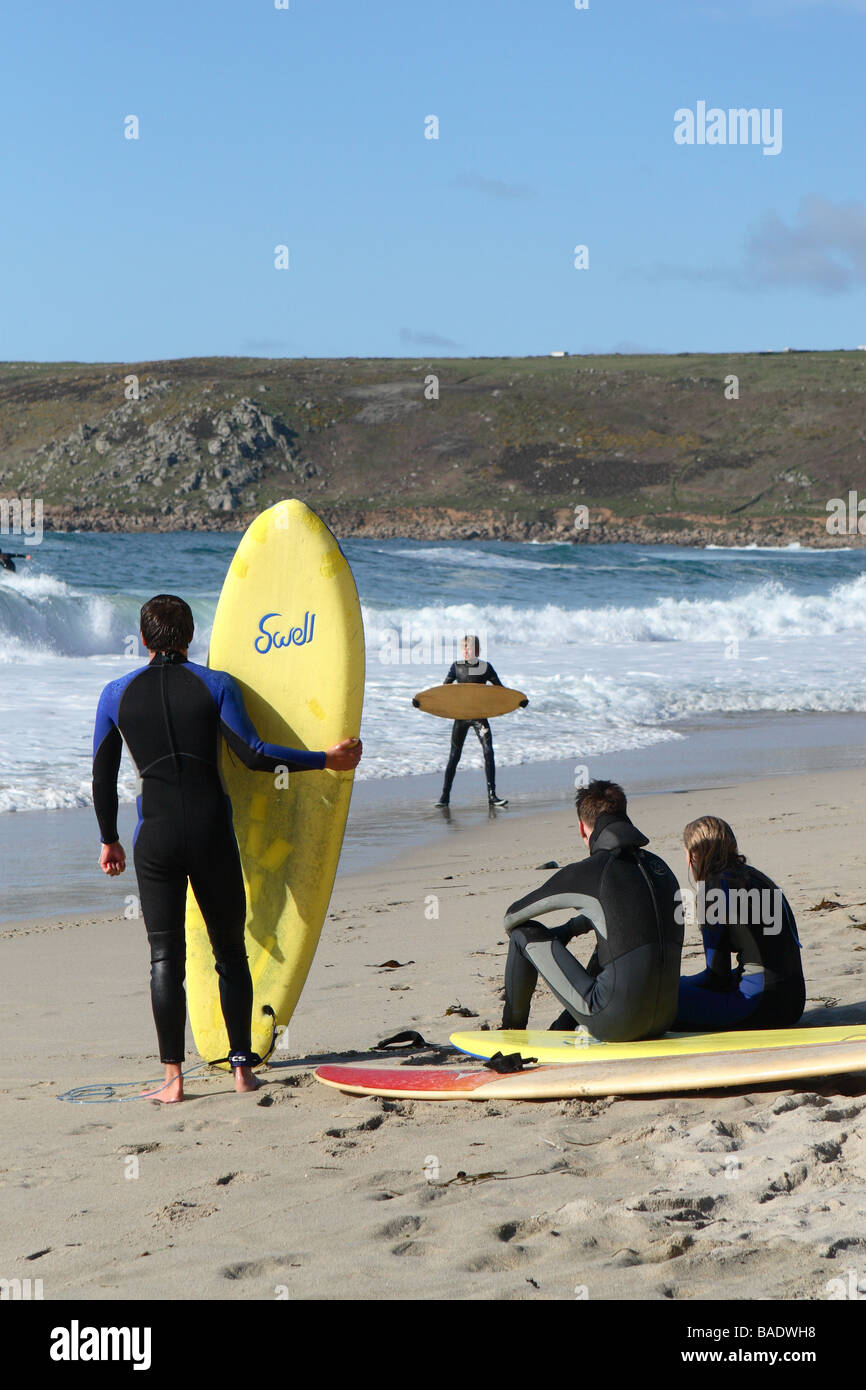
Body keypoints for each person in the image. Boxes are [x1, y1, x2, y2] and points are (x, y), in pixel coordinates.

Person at [92, 594, 362, 1103]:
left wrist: (108, 839)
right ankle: (242, 1070)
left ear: (145, 639)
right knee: (230, 954)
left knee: (164, 956)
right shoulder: (216, 685)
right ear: (190, 637)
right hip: (212, 831)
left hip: (156, 839)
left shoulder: (114, 694)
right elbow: (254, 755)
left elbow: (102, 778)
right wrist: (324, 758)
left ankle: (173, 1080)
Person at [500, 780, 683, 1041]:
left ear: (582, 829)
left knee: (522, 935)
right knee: (611, 943)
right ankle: (562, 1028)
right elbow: (624, 917)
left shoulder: (589, 872)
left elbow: (512, 917)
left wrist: (557, 934)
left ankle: (510, 1034)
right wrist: (571, 929)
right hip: (664, 1018)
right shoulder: (660, 868)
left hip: (616, 1025)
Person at [674, 816, 805, 1031]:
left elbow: (716, 978)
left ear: (694, 854)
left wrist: (677, 984)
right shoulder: (758, 878)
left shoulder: (713, 891)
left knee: (660, 1001)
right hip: (793, 1000)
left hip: (760, 1006)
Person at [435, 634, 511, 809]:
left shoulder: (485, 667)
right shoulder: (456, 667)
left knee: (488, 752)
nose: (467, 651)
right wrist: (423, 703)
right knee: (454, 756)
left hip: (479, 716)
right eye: (465, 648)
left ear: (478, 650)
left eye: (470, 648)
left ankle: (492, 796)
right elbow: (443, 691)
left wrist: (517, 701)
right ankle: (444, 797)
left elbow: (500, 690)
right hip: (461, 716)